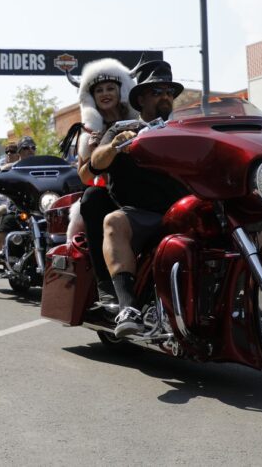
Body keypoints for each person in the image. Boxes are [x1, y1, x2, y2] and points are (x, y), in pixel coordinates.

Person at [88, 61, 188, 337]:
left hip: (186, 209)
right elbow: (96, 162)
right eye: (157, 91)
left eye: (169, 91)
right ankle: (128, 307)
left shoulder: (185, 129)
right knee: (114, 221)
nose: (165, 96)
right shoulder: (125, 127)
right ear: (141, 98)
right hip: (143, 213)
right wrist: (117, 144)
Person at [69, 59, 138, 307]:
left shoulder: (141, 121)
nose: (106, 94)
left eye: (110, 88)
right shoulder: (88, 133)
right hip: (108, 195)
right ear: (92, 97)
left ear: (122, 91)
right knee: (92, 199)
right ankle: (105, 285)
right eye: (99, 90)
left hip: (142, 192)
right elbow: (84, 177)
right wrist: (99, 152)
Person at [0, 136, 38, 299]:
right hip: (16, 210)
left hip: (40, 211)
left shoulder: (41, 165)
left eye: (33, 147)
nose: (30, 150)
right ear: (19, 151)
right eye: (25, 147)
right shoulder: (10, 168)